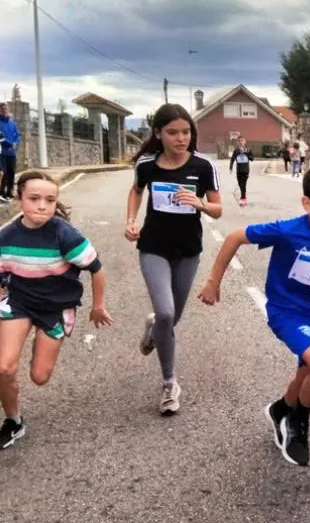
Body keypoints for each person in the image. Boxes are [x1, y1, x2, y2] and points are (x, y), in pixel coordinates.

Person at [198, 164, 310, 467]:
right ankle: (297, 421)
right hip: (287, 311)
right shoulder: (289, 231)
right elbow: (235, 237)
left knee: (307, 376)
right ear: (308, 204)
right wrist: (213, 282)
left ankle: (280, 409)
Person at [0, 171, 113, 450]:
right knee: (4, 367)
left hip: (57, 306)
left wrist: (98, 306)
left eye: (50, 200)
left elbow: (96, 269)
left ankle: (44, 336)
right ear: (19, 199)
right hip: (19, 302)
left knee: (39, 377)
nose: (42, 205)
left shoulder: (64, 234)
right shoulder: (6, 236)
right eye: (34, 198)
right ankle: (13, 421)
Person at [125, 104, 222, 416]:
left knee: (171, 318)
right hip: (153, 247)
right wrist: (131, 220)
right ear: (158, 134)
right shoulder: (147, 166)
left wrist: (201, 204)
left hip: (188, 250)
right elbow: (136, 191)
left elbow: (219, 209)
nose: (181, 138)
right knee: (166, 312)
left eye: (186, 132)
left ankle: (154, 329)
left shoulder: (203, 167)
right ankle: (169, 383)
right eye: (173, 132)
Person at [0, 103, 21, 200]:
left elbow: (17, 134)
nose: (4, 110)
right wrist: (10, 144)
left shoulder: (12, 123)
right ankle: (1, 192)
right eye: (2, 109)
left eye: (6, 108)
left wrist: (15, 143)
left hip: (12, 152)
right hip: (1, 151)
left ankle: (10, 191)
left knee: (11, 172)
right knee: (3, 173)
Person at [229, 136, 254, 206]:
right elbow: (232, 159)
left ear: (245, 142)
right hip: (239, 171)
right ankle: (243, 196)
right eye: (239, 141)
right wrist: (230, 168)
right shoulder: (236, 151)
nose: (240, 142)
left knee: (243, 184)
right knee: (240, 185)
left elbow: (252, 159)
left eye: (242, 141)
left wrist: (246, 153)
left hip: (245, 171)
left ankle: (243, 198)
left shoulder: (248, 150)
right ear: (237, 142)